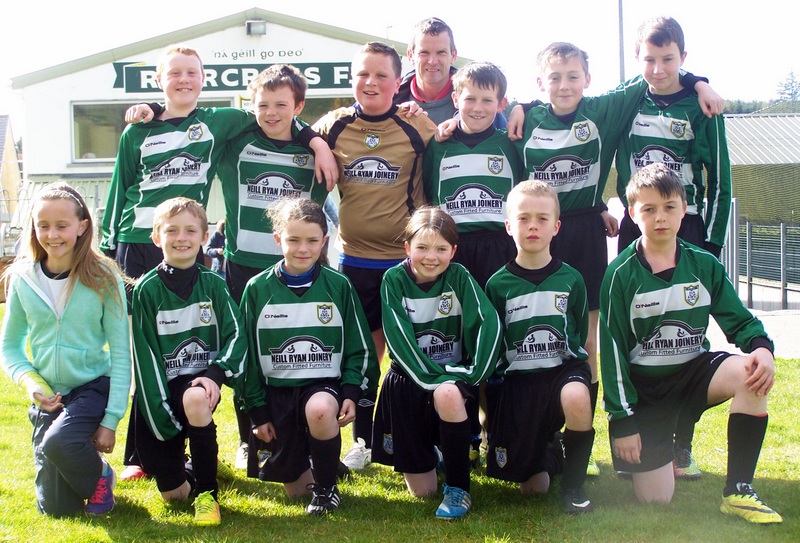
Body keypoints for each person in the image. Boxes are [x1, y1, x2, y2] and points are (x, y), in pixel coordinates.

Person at [496, 42, 724, 477]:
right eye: (554, 78)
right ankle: (531, 432)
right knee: (529, 331)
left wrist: (698, 82)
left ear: (588, 79)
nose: (565, 85)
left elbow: (651, 75)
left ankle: (579, 439)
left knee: (587, 338)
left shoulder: (601, 110)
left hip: (583, 232)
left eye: (573, 76)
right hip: (536, 230)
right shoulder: (526, 119)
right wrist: (519, 105)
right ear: (541, 82)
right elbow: (487, 116)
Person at [114, 54, 336, 479]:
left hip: (296, 267)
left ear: (298, 107)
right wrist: (154, 109)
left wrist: (318, 143)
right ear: (251, 105)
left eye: (282, 105)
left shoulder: (313, 149)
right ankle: (248, 438)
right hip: (241, 266)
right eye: (262, 105)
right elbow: (188, 122)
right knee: (243, 353)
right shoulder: (235, 138)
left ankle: (308, 442)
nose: (271, 113)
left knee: (298, 351)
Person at [600, 163, 781, 524]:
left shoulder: (703, 264)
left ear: (684, 209)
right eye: (649, 209)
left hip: (693, 374)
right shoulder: (620, 273)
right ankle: (659, 445)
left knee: (751, 373)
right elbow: (613, 352)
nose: (660, 217)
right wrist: (622, 422)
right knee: (656, 499)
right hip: (647, 390)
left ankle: (738, 490)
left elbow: (739, 320)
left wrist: (762, 347)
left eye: (669, 207)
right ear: (632, 213)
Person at [613, 17, 733, 480]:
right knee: (634, 331)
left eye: (668, 59)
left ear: (683, 57)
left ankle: (682, 443)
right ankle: (635, 431)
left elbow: (719, 181)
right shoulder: (629, 98)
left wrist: (711, 246)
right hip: (636, 224)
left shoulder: (701, 106)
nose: (659, 69)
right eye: (649, 59)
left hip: (689, 227)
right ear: (638, 58)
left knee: (686, 331)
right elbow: (581, 102)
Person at [313, 42, 438, 466]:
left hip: (408, 264)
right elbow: (292, 130)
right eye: (362, 74)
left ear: (397, 81)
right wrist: (317, 145)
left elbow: (457, 138)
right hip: (354, 262)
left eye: (381, 75)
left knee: (416, 354)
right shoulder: (332, 125)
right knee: (366, 358)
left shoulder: (415, 125)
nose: (371, 82)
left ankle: (423, 437)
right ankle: (364, 442)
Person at [238, 197, 379, 516]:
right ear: (278, 239)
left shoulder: (338, 285)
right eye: (293, 240)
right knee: (295, 491)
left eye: (312, 241)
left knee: (319, 410)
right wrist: (257, 412)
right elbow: (246, 358)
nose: (303, 249)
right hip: (278, 394)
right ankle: (324, 462)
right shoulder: (257, 289)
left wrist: (352, 392)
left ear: (324, 241)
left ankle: (327, 490)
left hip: (322, 388)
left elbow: (359, 348)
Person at [0, 182, 131, 517]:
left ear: (82, 226)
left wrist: (111, 421)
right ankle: (85, 459)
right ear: (33, 227)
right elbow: (10, 347)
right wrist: (33, 385)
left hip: (92, 387)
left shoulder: (104, 277)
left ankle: (100, 474)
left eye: (62, 225)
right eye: (43, 225)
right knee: (57, 510)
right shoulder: (22, 278)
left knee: (58, 442)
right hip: (49, 394)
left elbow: (120, 353)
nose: (52, 235)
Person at [372, 207, 502, 519]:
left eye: (441, 249)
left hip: (451, 381)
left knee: (447, 392)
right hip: (408, 380)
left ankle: (458, 489)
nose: (431, 257)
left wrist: (472, 373)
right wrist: (435, 377)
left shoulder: (459, 277)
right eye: (422, 247)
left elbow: (489, 324)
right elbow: (399, 342)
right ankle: (440, 452)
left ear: (453, 251)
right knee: (423, 492)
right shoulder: (393, 280)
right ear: (407, 248)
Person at [422, 60, 523, 464]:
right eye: (470, 98)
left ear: (501, 103)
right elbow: (429, 198)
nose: (478, 107)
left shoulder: (510, 143)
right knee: (459, 339)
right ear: (454, 99)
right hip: (454, 252)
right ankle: (461, 434)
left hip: (500, 249)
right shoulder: (439, 145)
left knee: (498, 340)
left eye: (487, 100)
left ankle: (497, 431)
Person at [129, 197, 248, 526]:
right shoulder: (146, 290)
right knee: (174, 496)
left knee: (195, 397)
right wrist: (163, 415)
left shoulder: (214, 285)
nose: (181, 238)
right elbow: (145, 357)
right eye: (171, 231)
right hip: (160, 391)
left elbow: (237, 335)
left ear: (204, 237)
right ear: (157, 238)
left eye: (190, 231)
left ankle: (208, 497)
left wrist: (215, 374)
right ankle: (201, 463)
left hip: (199, 384)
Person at [483, 180, 593, 514]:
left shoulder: (571, 279)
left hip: (561, 373)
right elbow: (494, 347)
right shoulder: (497, 284)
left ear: (556, 226)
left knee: (577, 397)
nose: (533, 226)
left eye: (542, 219)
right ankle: (553, 448)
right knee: (533, 489)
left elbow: (579, 332)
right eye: (524, 218)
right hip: (520, 384)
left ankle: (574, 487)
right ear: (508, 226)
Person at [396, 17, 506, 128]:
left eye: (441, 52)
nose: (432, 61)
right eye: (424, 52)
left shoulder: (482, 104)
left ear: (453, 56)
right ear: (410, 56)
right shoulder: (392, 100)